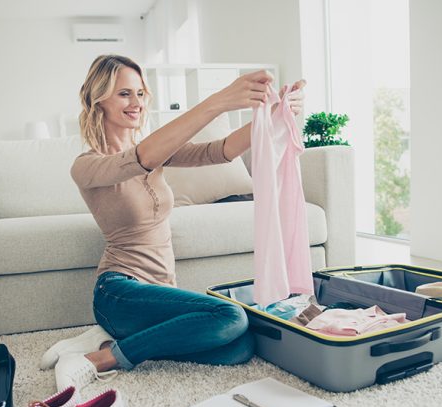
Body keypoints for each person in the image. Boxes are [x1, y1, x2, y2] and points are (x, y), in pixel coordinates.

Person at [56, 54, 306, 389]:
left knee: (239, 346)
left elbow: (221, 151)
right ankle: (97, 359)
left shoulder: (154, 149)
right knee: (230, 317)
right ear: (98, 99)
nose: (137, 102)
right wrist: (218, 102)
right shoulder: (87, 166)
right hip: (119, 292)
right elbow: (140, 159)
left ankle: (107, 343)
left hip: (160, 291)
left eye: (141, 93)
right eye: (125, 94)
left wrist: (278, 114)